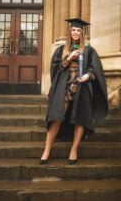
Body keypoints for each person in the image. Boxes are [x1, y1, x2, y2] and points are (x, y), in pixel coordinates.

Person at [40, 18, 108, 165]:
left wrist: (88, 75)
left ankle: (74, 150)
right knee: (57, 116)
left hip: (82, 87)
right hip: (64, 88)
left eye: (78, 30)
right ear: (69, 32)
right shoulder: (61, 50)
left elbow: (96, 69)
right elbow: (55, 69)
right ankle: (46, 150)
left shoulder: (89, 50)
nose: (76, 32)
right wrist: (69, 59)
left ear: (82, 33)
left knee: (80, 118)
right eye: (73, 30)